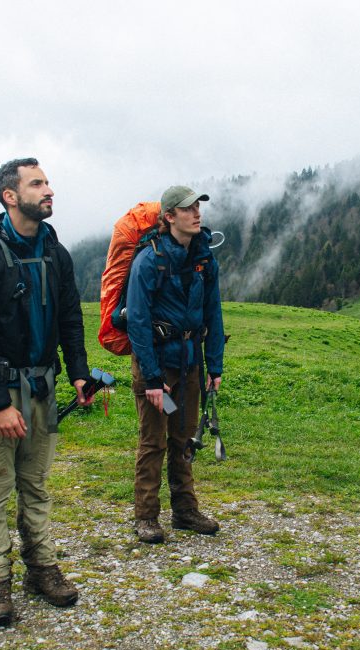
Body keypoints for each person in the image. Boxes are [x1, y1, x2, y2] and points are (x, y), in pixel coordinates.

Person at [0, 158, 93, 626]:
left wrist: (78, 372)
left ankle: (42, 568)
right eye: (38, 183)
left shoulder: (56, 252)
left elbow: (71, 318)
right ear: (10, 196)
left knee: (36, 484)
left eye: (48, 181)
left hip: (43, 386)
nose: (49, 189)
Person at [126, 185, 225, 544]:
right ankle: (146, 516)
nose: (196, 213)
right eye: (188, 209)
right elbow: (137, 321)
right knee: (153, 441)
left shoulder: (203, 258)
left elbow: (213, 312)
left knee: (183, 439)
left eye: (198, 207)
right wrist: (152, 379)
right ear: (169, 217)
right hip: (156, 368)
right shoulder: (149, 261)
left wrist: (215, 366)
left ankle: (185, 511)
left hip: (190, 365)